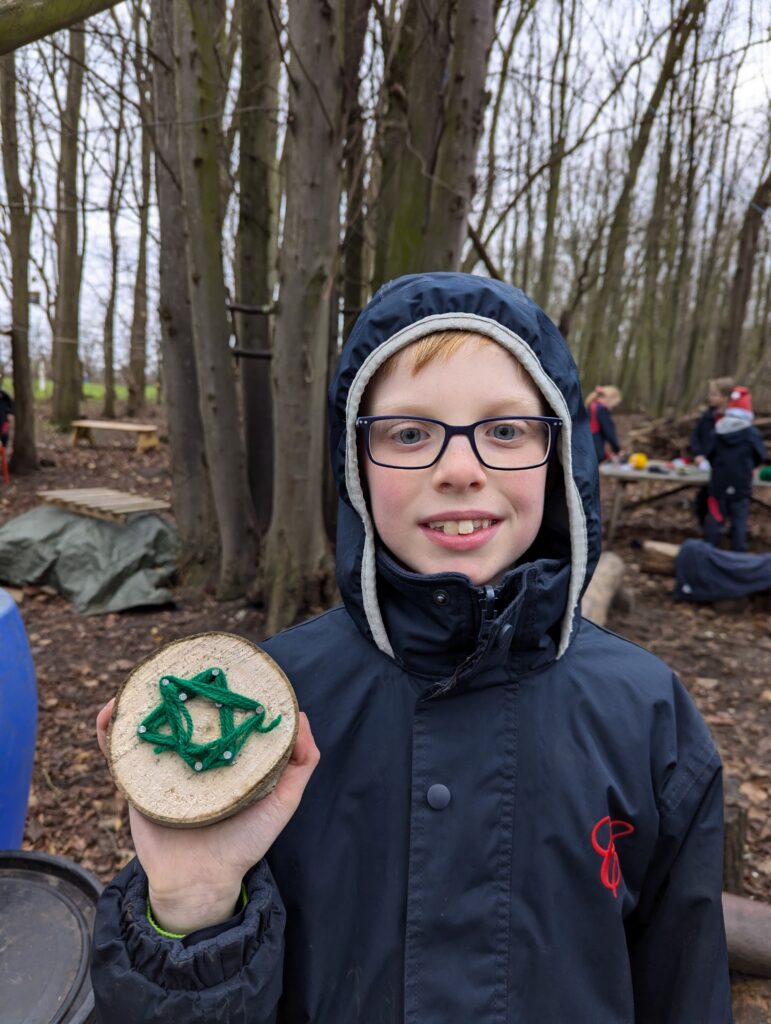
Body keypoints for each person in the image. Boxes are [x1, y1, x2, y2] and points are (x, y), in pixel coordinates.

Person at [91, 274, 731, 1023]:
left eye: (504, 430)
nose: (459, 467)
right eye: (408, 433)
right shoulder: (269, 709)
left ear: (558, 453)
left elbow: (685, 990)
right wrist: (190, 907)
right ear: (354, 463)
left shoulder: (645, 714)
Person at [704, 385, 766, 552]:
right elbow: (760, 455)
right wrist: (747, 467)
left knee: (715, 519)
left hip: (719, 483)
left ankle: (709, 553)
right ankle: (738, 557)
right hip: (741, 483)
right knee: (739, 522)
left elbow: (709, 453)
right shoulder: (752, 433)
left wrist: (718, 466)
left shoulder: (717, 430)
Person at [690, 377, 734, 527]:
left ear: (725, 397)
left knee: (721, 502)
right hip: (704, 465)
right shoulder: (707, 416)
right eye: (710, 394)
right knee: (702, 500)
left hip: (724, 468)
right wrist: (698, 454)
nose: (710, 397)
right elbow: (696, 436)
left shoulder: (734, 419)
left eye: (714, 394)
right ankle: (704, 526)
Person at [585, 384, 622, 463]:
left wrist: (606, 454)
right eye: (614, 405)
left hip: (585, 449)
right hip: (595, 453)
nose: (612, 408)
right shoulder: (601, 409)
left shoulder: (590, 406)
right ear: (610, 399)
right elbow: (609, 432)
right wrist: (617, 450)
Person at [0, 386, 13, 452]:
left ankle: (3, 456)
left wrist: (10, 413)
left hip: (3, 421)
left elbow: (12, 406)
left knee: (4, 436)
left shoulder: (5, 398)